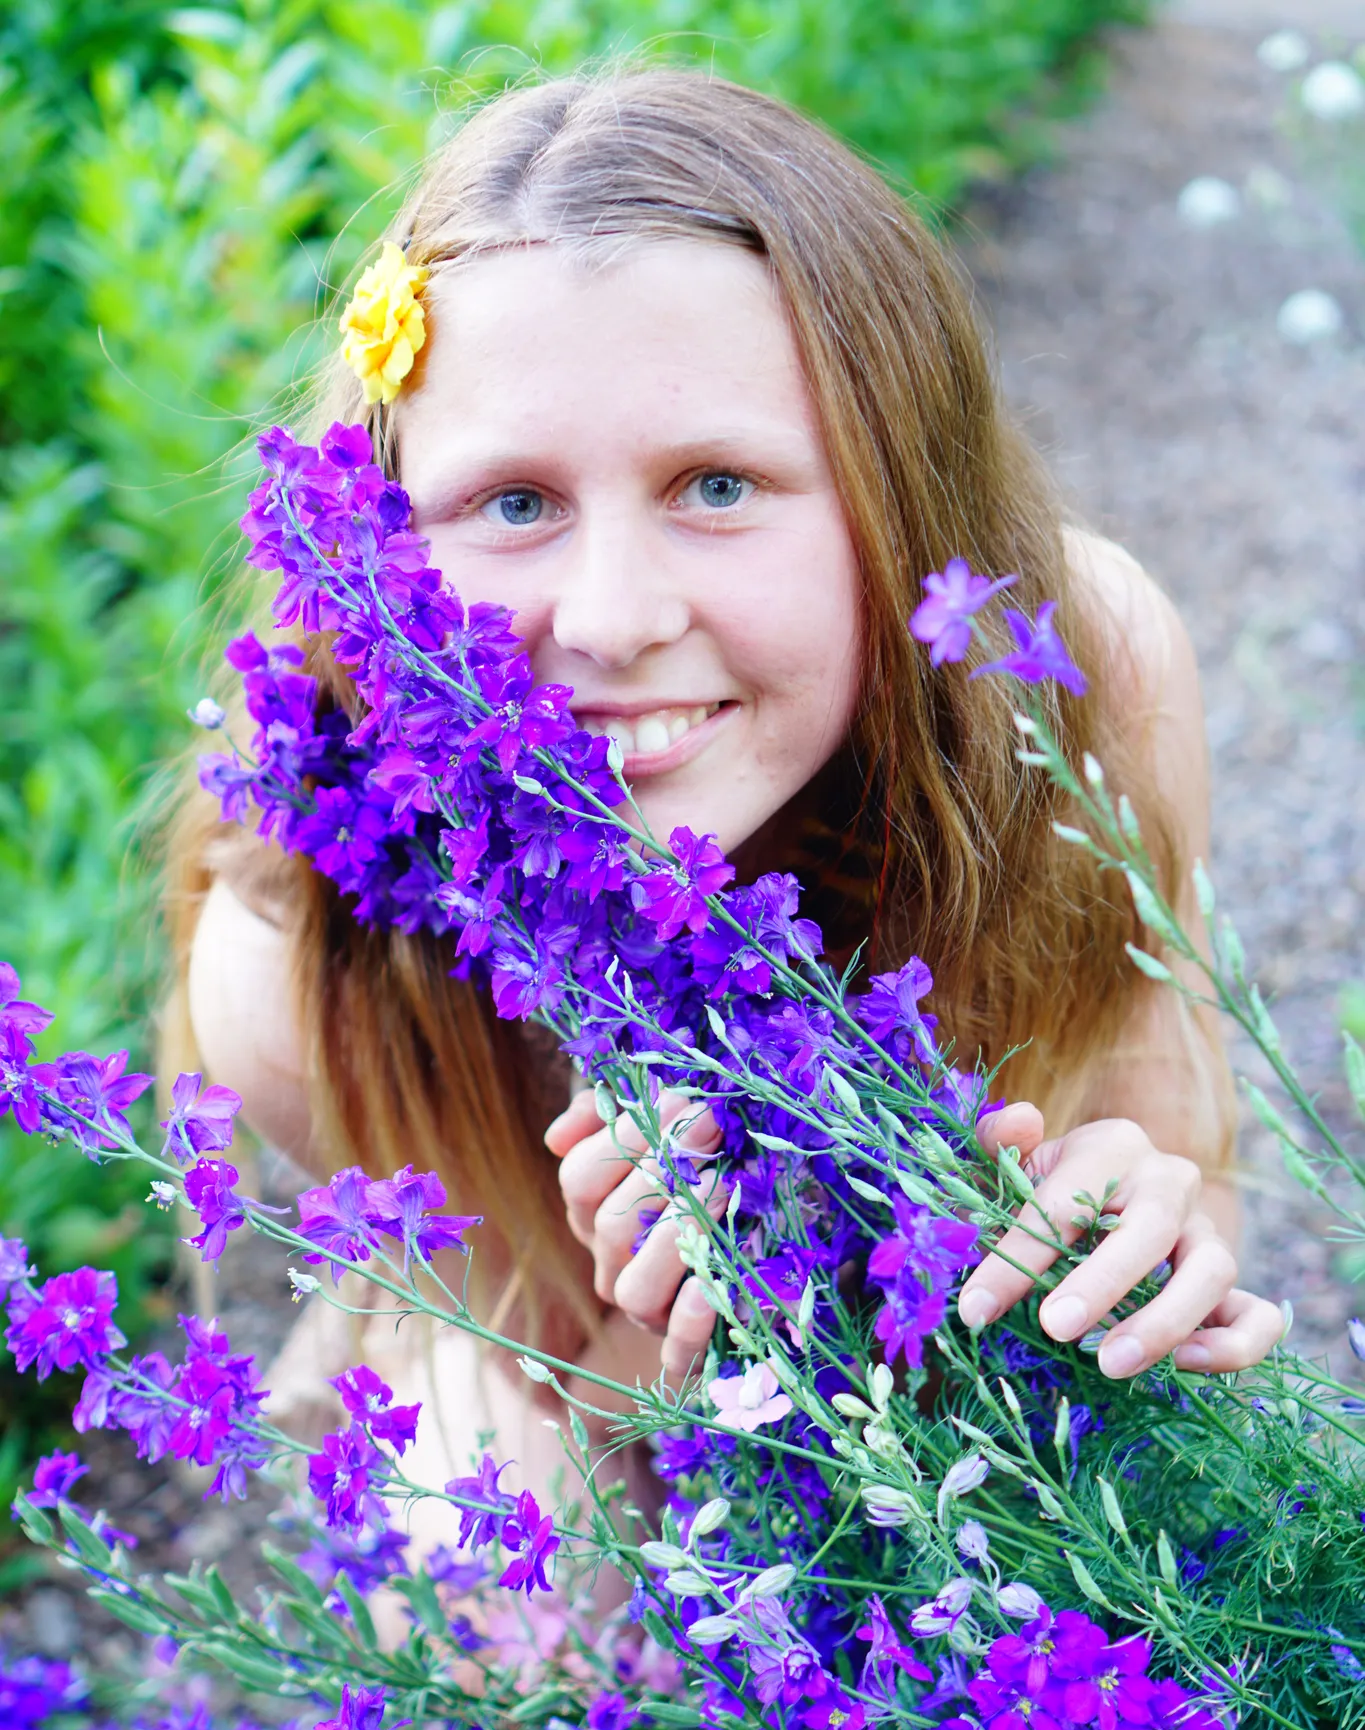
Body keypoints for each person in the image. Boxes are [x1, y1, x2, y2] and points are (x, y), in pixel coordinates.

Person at [166, 68, 1282, 1562]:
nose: (615, 621)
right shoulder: (304, 959)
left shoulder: (1074, 676)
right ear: (376, 542)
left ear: (902, 494)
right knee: (515, 1607)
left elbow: (1176, 1139)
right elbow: (574, 1380)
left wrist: (1142, 1231)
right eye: (512, 503)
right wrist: (683, 1341)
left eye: (717, 484)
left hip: (961, 1399)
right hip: (560, 1352)